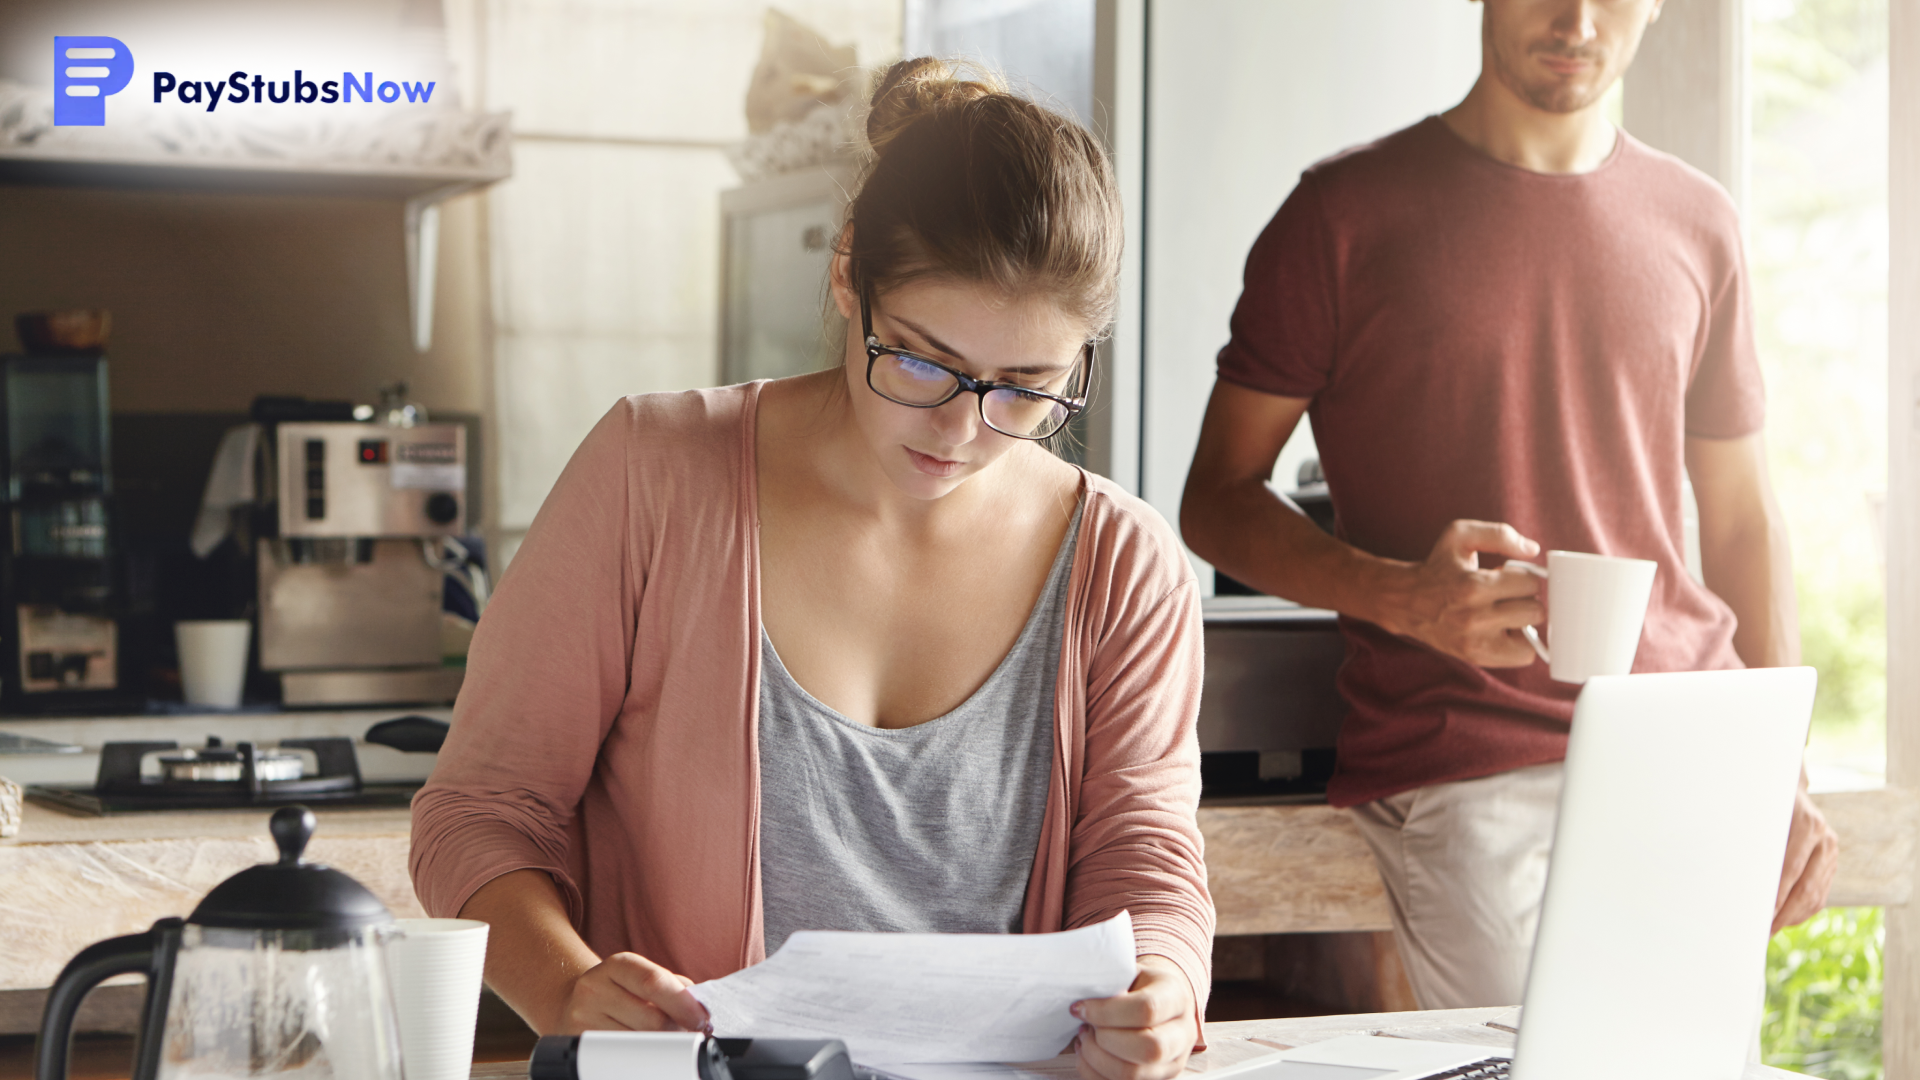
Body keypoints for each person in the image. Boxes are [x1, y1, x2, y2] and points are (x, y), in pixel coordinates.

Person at [411, 58, 1213, 1080]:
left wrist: (1164, 988)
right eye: (921, 361)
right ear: (847, 277)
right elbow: (479, 814)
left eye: (1026, 388)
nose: (962, 431)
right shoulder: (651, 476)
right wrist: (569, 991)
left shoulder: (1124, 564)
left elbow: (1148, 857)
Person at [1180, 0, 1838, 1010]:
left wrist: (1777, 760)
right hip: (1469, 760)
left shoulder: (1702, 220)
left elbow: (1745, 516)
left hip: (1689, 741)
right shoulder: (1341, 214)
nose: (1577, 18)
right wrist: (1403, 598)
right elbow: (1215, 499)